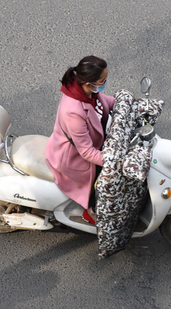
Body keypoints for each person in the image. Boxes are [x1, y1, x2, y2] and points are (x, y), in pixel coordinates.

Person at [45, 56, 115, 224]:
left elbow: (102, 101)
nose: (104, 83)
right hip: (75, 157)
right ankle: (92, 211)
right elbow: (87, 152)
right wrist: (115, 161)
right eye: (102, 80)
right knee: (109, 179)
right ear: (88, 83)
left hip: (91, 144)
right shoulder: (73, 111)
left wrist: (128, 104)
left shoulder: (85, 90)